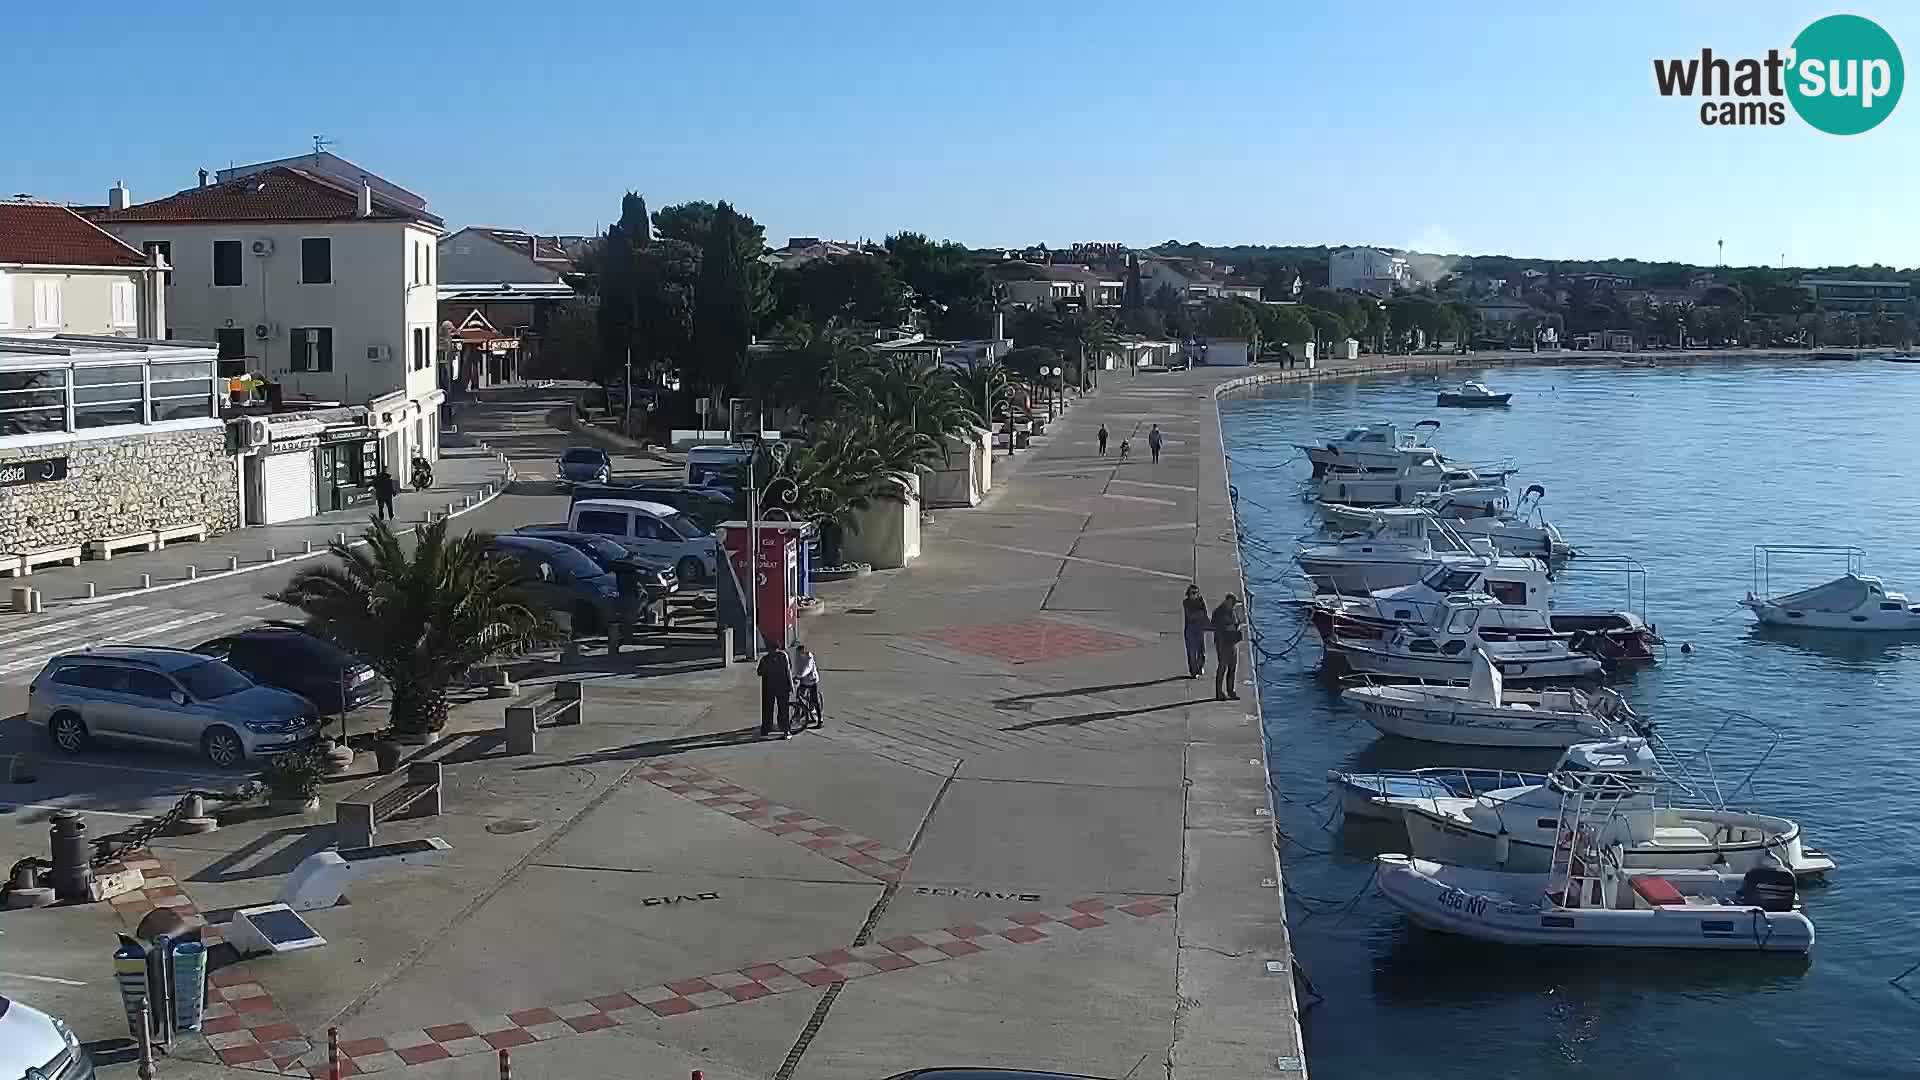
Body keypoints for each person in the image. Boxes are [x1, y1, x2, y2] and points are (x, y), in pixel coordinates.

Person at [1211, 594, 1245, 701]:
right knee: (1222, 668)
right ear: (1226, 601)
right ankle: (1219, 692)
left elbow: (1234, 624)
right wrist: (1231, 627)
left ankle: (1231, 691)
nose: (1233, 605)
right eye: (1232, 603)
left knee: (1232, 667)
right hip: (1223, 644)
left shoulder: (1232, 611)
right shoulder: (1218, 612)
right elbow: (1218, 626)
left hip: (1232, 643)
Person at [756, 644, 794, 738]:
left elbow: (759, 672)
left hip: (769, 687)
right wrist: (790, 685)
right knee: (783, 709)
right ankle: (785, 729)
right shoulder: (783, 656)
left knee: (768, 709)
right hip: (781, 687)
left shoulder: (765, 659)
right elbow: (788, 671)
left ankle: (767, 728)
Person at [1182, 585, 1209, 679]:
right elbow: (1190, 616)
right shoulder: (1186, 603)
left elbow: (1204, 614)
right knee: (1192, 652)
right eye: (1193, 593)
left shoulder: (1201, 601)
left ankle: (1200, 667)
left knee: (1201, 651)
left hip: (1199, 629)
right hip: (1190, 630)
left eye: (1197, 593)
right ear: (1189, 594)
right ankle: (1193, 671)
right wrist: (1199, 614)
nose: (1195, 595)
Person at [793, 643, 822, 727]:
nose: (798, 654)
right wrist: (795, 677)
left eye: (799, 653)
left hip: (812, 680)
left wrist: (799, 676)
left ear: (803, 652)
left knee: (815, 700)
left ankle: (820, 720)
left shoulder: (809, 658)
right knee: (799, 696)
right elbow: (797, 667)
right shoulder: (798, 657)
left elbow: (807, 669)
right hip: (803, 680)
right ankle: (799, 713)